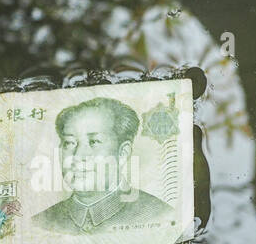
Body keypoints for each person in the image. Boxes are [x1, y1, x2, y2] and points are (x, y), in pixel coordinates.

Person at [32, 97, 174, 233]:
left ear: (123, 152)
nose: (78, 156)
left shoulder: (160, 215)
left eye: (94, 142)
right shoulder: (41, 222)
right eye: (69, 143)